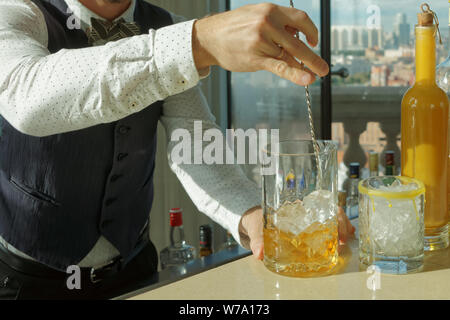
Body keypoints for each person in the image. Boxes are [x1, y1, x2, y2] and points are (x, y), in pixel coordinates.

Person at [0, 0, 354, 299]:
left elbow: (196, 147)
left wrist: (255, 216)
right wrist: (197, 43)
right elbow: (28, 97)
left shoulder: (161, 24)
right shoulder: (18, 11)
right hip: (28, 281)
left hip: (134, 272)